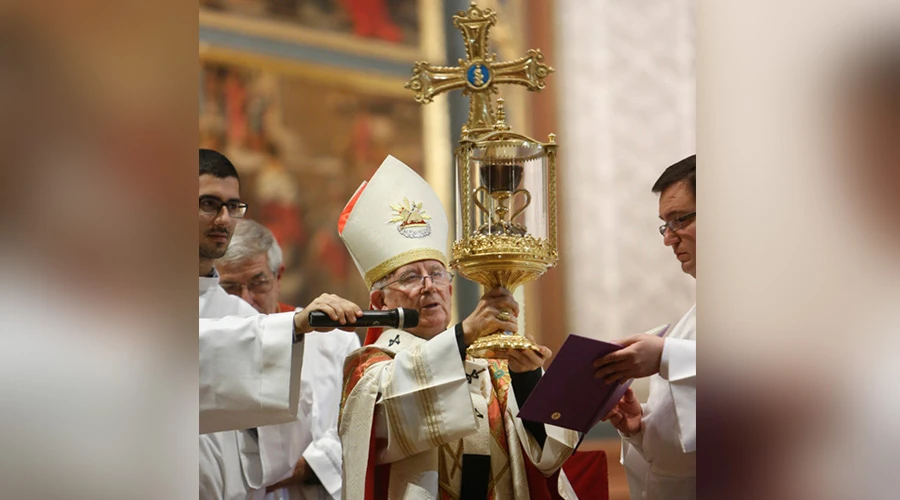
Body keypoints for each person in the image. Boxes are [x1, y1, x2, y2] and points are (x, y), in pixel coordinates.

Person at [337, 155, 580, 499]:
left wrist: (526, 378)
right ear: (380, 303)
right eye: (410, 277)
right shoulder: (369, 369)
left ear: (450, 289)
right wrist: (464, 335)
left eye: (437, 274)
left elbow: (548, 459)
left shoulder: (491, 364)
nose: (429, 286)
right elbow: (392, 416)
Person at [198, 149, 362, 499]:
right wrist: (294, 326)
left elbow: (290, 435)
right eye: (209, 204)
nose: (224, 219)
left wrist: (291, 330)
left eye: (233, 206)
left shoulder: (245, 319)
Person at [593, 155, 697, 500]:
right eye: (665, 225)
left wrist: (666, 355)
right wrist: (641, 429)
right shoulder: (692, 319)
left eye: (680, 220)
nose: (669, 239)